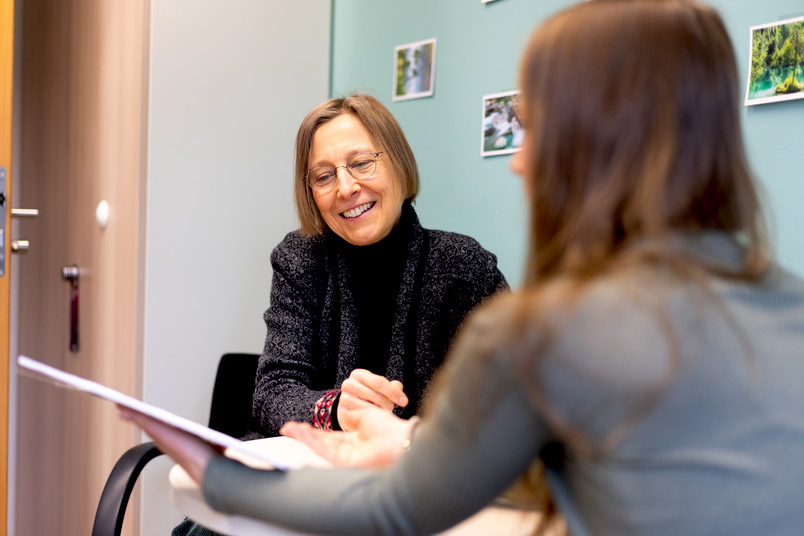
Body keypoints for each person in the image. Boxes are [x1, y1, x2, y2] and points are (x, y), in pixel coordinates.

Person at [122, 1, 804, 535]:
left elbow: (407, 505)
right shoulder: (788, 311)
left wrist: (211, 470)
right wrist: (408, 438)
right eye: (323, 175)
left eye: (534, 129)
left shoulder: (521, 321)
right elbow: (549, 450)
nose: (517, 159)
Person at [247, 93, 507, 438]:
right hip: (319, 475)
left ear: (398, 163)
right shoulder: (300, 259)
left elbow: (512, 402)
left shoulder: (464, 267)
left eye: (361, 163)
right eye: (323, 177)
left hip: (427, 479)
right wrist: (337, 409)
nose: (346, 188)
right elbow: (272, 393)